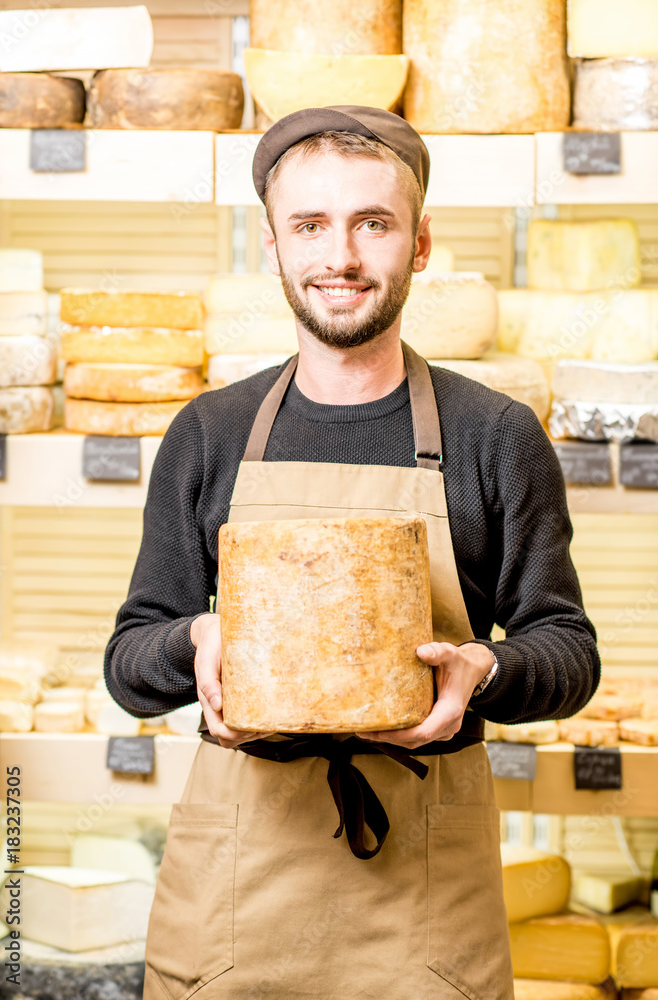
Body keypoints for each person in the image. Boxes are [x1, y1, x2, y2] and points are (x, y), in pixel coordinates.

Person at [105, 106, 600, 1000]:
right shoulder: (211, 433)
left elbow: (566, 649)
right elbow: (130, 659)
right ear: (272, 245)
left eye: (371, 223)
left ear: (417, 245)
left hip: (426, 898)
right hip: (235, 890)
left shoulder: (493, 434)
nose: (339, 255)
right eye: (310, 225)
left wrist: (478, 671)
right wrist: (193, 644)